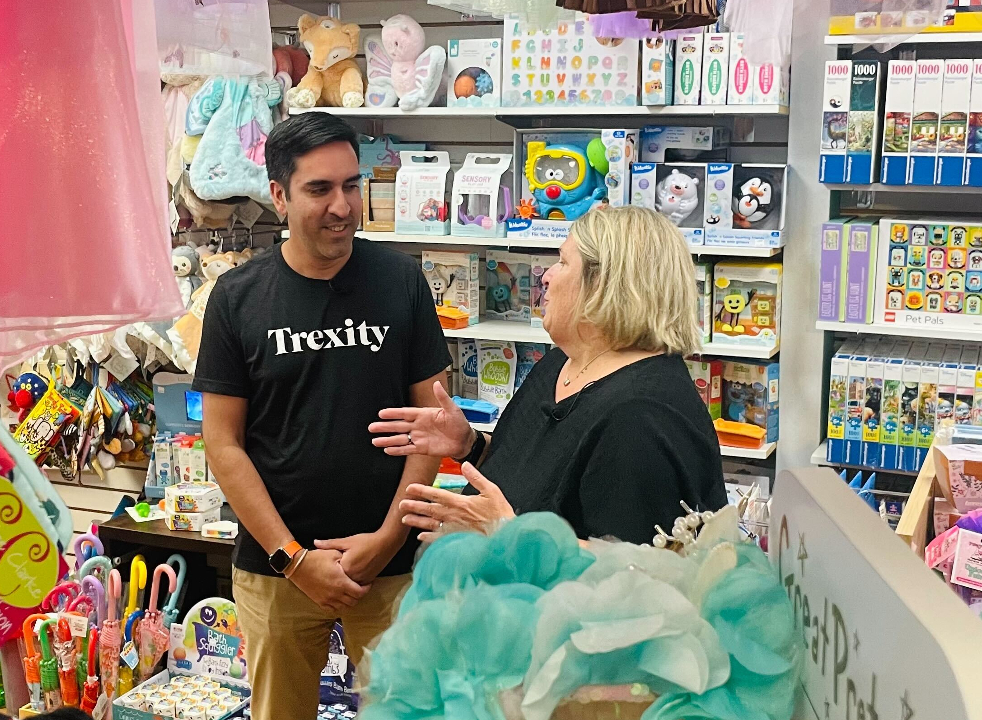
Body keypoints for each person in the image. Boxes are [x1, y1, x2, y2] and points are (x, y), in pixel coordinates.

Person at [194, 112, 450, 720]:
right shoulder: (237, 298)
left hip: (390, 565)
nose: (343, 206)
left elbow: (432, 422)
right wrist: (293, 557)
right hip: (277, 570)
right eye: (320, 189)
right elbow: (223, 444)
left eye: (351, 185)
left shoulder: (400, 280)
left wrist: (388, 540)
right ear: (279, 196)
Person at [370, 205, 727, 545]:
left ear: (601, 284)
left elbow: (639, 571)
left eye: (562, 262)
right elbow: (542, 478)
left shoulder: (641, 415)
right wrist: (470, 445)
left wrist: (508, 533)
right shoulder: (561, 364)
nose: (546, 275)